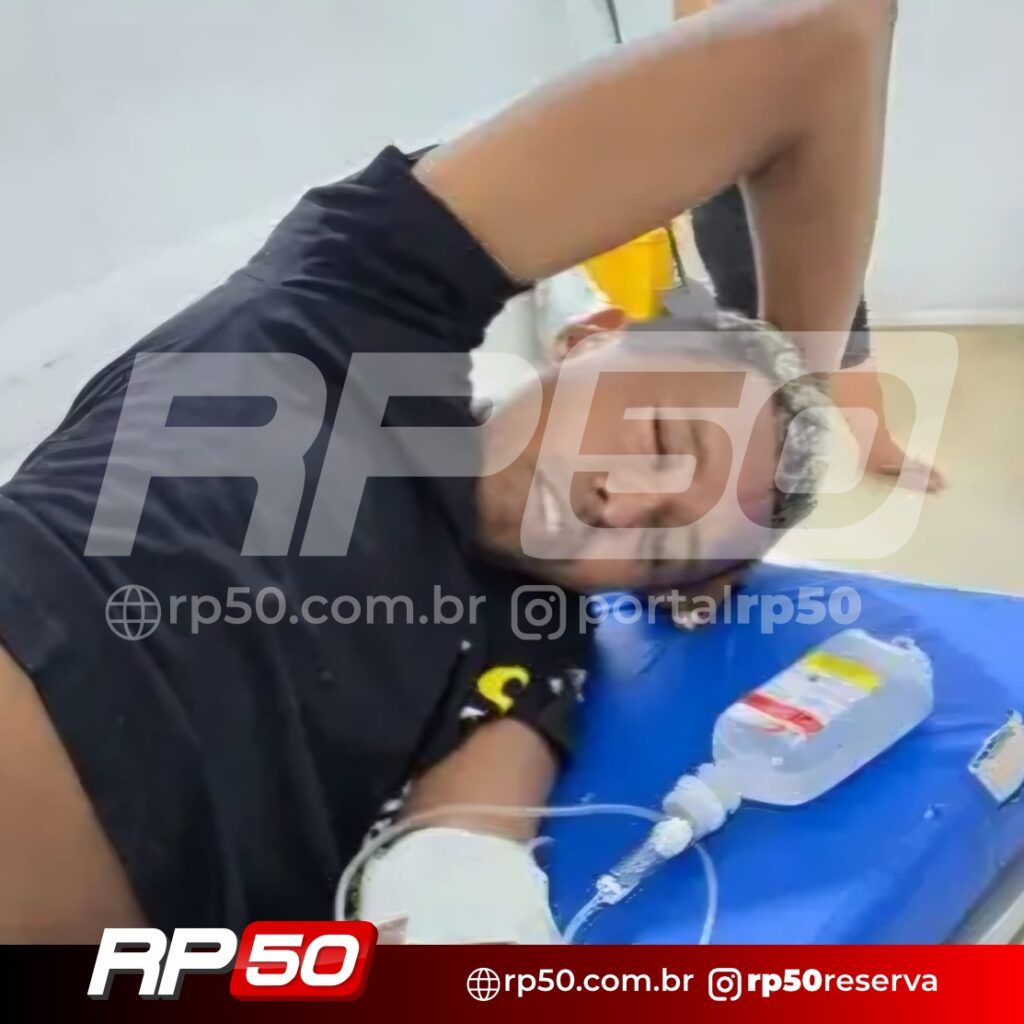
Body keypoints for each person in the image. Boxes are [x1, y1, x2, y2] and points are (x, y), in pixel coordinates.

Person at [0, 0, 895, 942]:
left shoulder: (532, 642)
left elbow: (460, 867)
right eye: (665, 438)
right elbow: (826, 40)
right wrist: (799, 383)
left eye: (662, 544)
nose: (621, 501)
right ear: (595, 338)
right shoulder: (348, 307)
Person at [675, 0, 944, 492]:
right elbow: (693, 55)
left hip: (807, 158)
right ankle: (742, 460)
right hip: (730, 173)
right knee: (749, 328)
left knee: (841, 314)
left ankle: (877, 449)